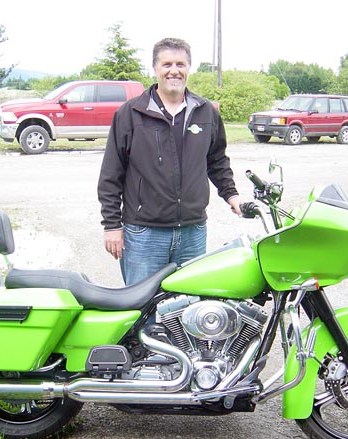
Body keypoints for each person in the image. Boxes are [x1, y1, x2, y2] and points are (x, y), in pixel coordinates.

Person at [97, 37, 242, 286]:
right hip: (144, 234)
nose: (174, 70)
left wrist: (232, 195)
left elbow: (217, 161)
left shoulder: (205, 111)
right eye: (166, 65)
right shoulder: (130, 114)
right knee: (142, 312)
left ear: (188, 68)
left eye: (180, 64)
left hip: (192, 232)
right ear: (155, 69)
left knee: (189, 309)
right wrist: (112, 226)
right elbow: (112, 174)